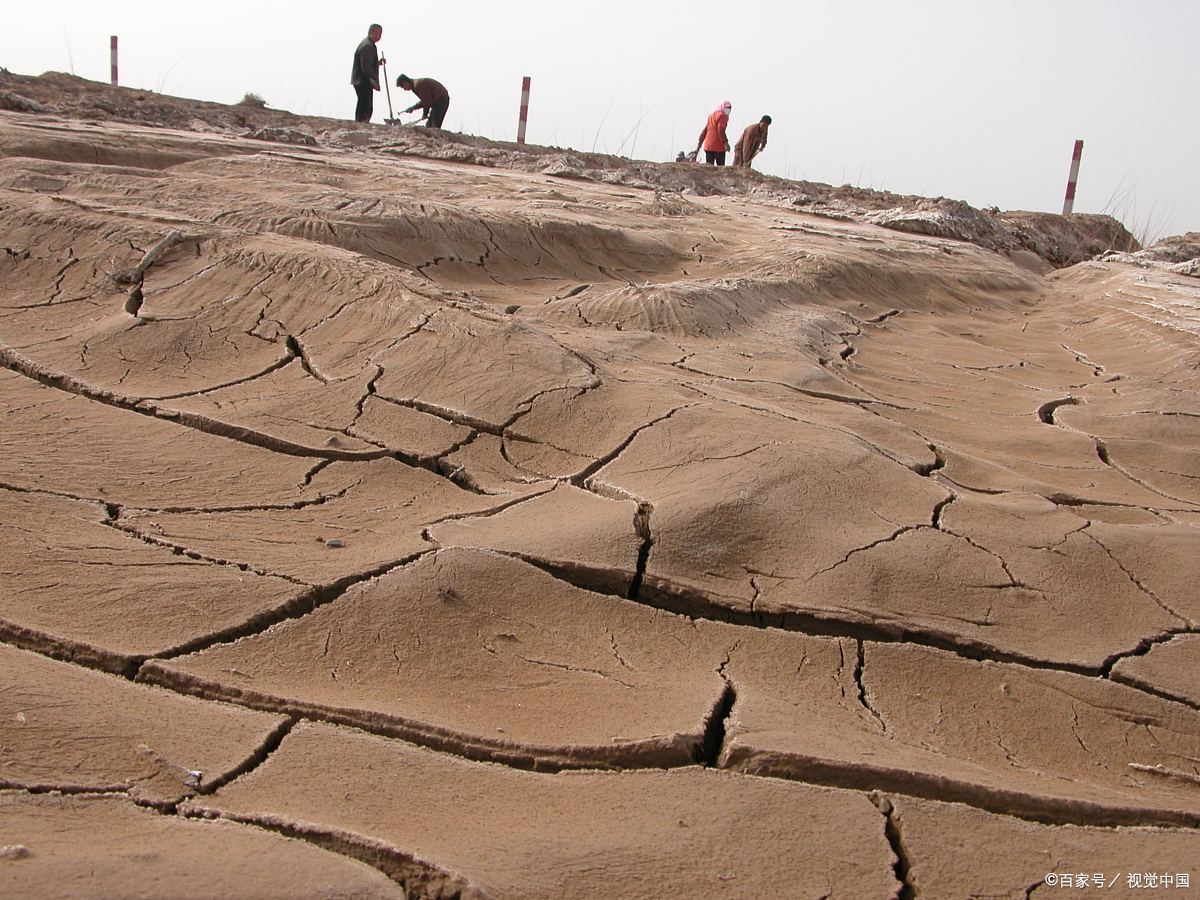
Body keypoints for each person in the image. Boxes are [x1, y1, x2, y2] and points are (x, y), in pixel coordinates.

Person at [351, 24, 383, 123]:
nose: (379, 36)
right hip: (363, 80)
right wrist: (373, 80)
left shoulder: (370, 45)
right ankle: (361, 123)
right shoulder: (367, 46)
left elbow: (369, 63)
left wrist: (378, 63)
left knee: (365, 104)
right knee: (365, 106)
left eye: (380, 34)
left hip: (363, 80)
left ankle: (362, 123)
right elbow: (366, 67)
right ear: (371, 32)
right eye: (377, 33)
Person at [694, 101, 732, 166]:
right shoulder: (723, 116)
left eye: (729, 108)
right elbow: (720, 130)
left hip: (708, 147)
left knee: (709, 168)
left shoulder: (711, 116)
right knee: (721, 169)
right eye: (726, 108)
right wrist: (726, 143)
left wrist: (699, 145)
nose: (728, 110)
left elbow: (705, 131)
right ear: (723, 107)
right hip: (719, 146)